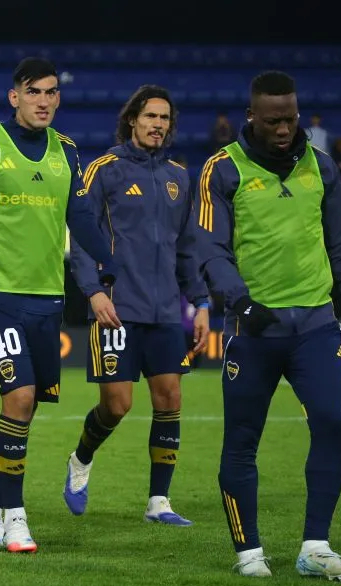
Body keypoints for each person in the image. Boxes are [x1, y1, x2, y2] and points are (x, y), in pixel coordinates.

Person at [198, 70, 341, 580]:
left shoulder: (321, 168)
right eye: (274, 120)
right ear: (252, 117)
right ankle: (249, 552)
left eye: (291, 118)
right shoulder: (222, 169)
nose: (284, 129)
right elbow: (210, 250)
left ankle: (315, 547)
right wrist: (241, 303)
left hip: (316, 327)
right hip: (252, 333)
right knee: (242, 440)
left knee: (331, 423)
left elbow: (340, 245)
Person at [0, 58, 116, 553]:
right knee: (18, 399)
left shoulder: (68, 152)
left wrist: (111, 265)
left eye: (52, 92)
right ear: (14, 96)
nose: (44, 100)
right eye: (34, 91)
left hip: (48, 301)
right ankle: (15, 516)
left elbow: (81, 217)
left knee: (25, 409)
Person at [64, 85, 210, 526]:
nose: (157, 125)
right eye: (150, 117)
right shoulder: (104, 170)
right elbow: (83, 239)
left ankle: (158, 502)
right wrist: (94, 291)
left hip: (166, 309)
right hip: (115, 308)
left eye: (165, 119)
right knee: (117, 405)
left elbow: (188, 248)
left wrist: (200, 302)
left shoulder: (179, 177)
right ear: (133, 120)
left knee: (170, 399)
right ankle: (80, 458)